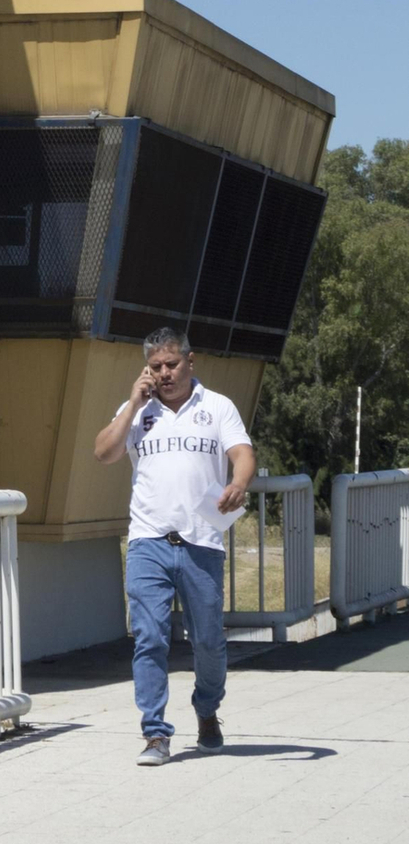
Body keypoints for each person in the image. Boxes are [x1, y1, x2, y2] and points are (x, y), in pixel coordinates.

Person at [94, 326, 257, 765]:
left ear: (190, 361)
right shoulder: (137, 411)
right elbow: (103, 452)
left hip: (201, 540)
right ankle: (155, 734)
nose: (164, 373)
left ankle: (207, 710)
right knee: (149, 637)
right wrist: (132, 404)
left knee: (208, 641)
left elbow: (243, 453)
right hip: (149, 539)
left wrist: (239, 483)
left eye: (171, 364)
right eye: (155, 367)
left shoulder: (217, 406)